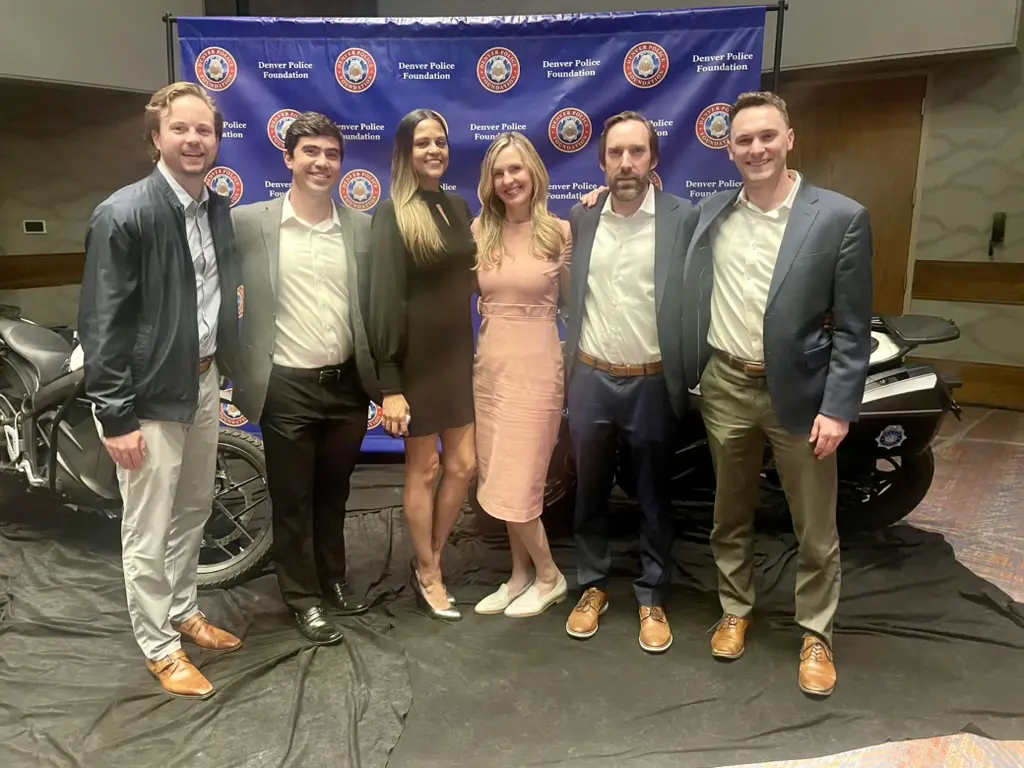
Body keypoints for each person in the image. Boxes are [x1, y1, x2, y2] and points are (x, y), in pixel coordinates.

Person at [681, 91, 874, 697]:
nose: (756, 149)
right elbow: (650, 218)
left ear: (789, 138)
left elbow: (852, 325)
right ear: (728, 147)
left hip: (803, 396)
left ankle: (816, 633)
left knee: (814, 526)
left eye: (767, 136)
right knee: (728, 514)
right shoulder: (711, 212)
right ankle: (736, 609)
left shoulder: (839, 217)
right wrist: (599, 196)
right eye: (743, 140)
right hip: (726, 387)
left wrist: (839, 406)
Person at [77, 81, 243, 700]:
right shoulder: (124, 214)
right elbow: (102, 325)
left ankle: (183, 610)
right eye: (181, 129)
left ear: (217, 141)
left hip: (200, 385)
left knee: (193, 510)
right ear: (156, 139)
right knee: (147, 528)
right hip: (146, 400)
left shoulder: (216, 208)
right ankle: (159, 646)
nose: (194, 139)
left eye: (205, 130)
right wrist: (115, 416)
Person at [227, 112, 379, 645]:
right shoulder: (249, 223)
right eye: (310, 152)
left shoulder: (361, 226)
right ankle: (302, 597)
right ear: (288, 158)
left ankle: (333, 580)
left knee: (334, 494)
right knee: (292, 499)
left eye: (331, 154)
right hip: (285, 385)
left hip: (345, 387)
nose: (321, 162)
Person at [561, 111, 698, 653]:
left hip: (652, 382)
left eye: (636, 152)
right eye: (615, 153)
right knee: (588, 492)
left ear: (654, 159)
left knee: (652, 496)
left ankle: (652, 595)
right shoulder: (582, 217)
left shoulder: (683, 218)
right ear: (601, 163)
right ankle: (592, 586)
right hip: (591, 377)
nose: (625, 163)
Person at [367, 109, 477, 622]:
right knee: (426, 466)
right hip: (416, 364)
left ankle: (427, 555)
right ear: (405, 153)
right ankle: (430, 571)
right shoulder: (392, 213)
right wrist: (391, 384)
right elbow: (384, 300)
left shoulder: (458, 206)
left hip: (458, 356)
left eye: (440, 142)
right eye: (422, 143)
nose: (433, 150)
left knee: (463, 466)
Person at [470, 132, 570, 618]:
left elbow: (575, 301)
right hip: (489, 369)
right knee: (497, 477)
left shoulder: (560, 232)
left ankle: (549, 575)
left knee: (520, 481)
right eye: (499, 173)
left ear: (534, 173)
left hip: (536, 368)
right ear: (490, 182)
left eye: (517, 170)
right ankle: (519, 575)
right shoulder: (479, 233)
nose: (509, 180)